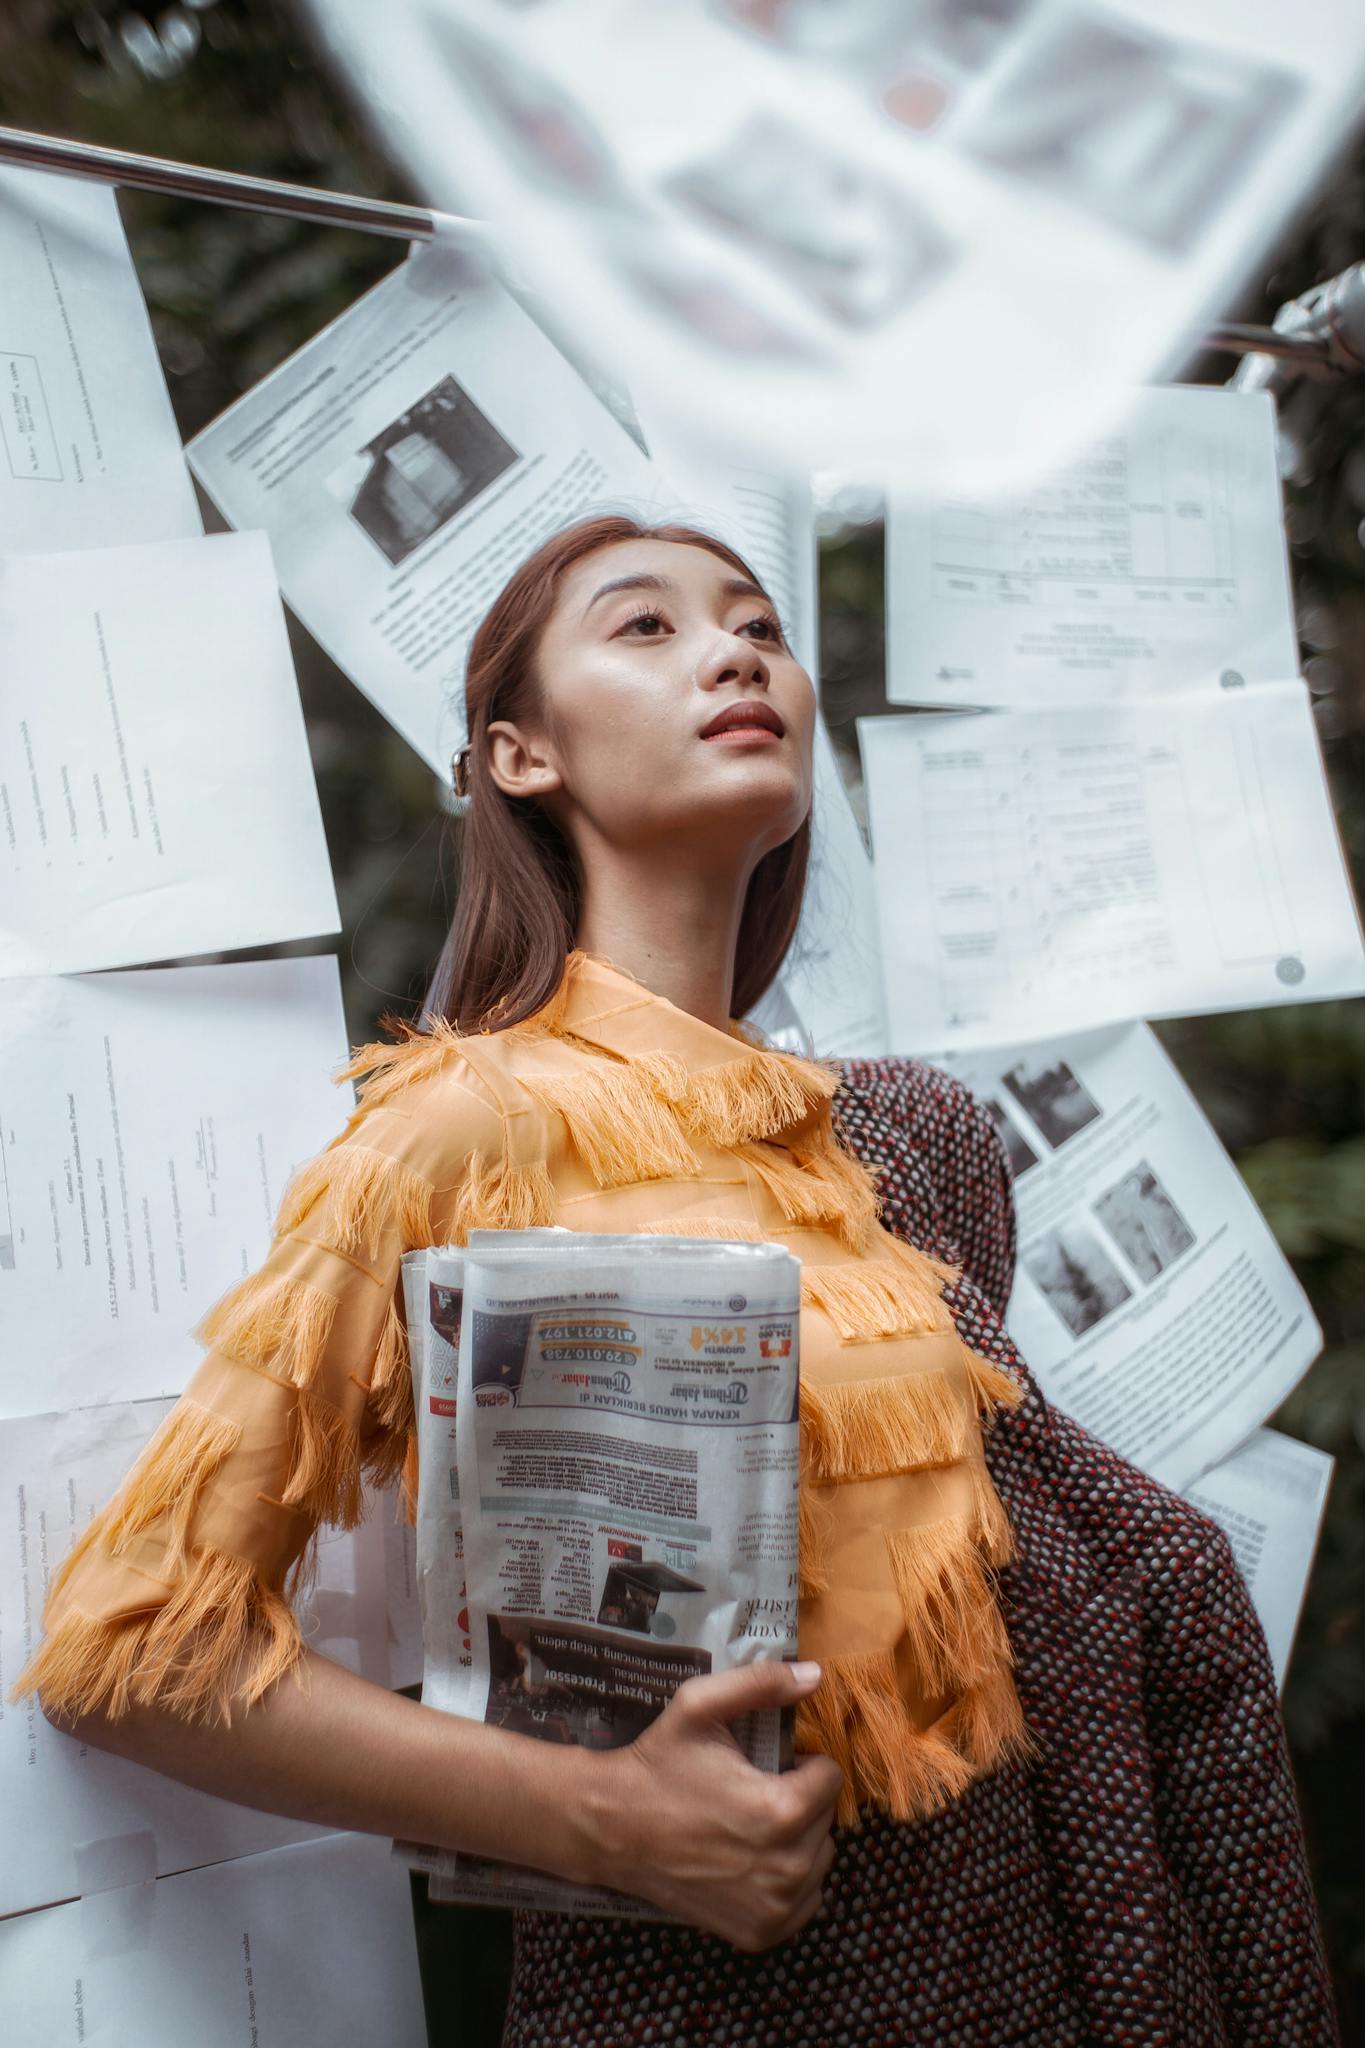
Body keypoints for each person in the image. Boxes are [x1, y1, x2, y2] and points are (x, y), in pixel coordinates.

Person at [16, 517, 1338, 2045]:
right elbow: (133, 1648)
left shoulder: (907, 1142)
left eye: (759, 626)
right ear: (521, 754)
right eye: (645, 628)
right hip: (708, 2002)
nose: (736, 652)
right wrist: (597, 1816)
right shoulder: (463, 1128)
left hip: (1036, 1970)